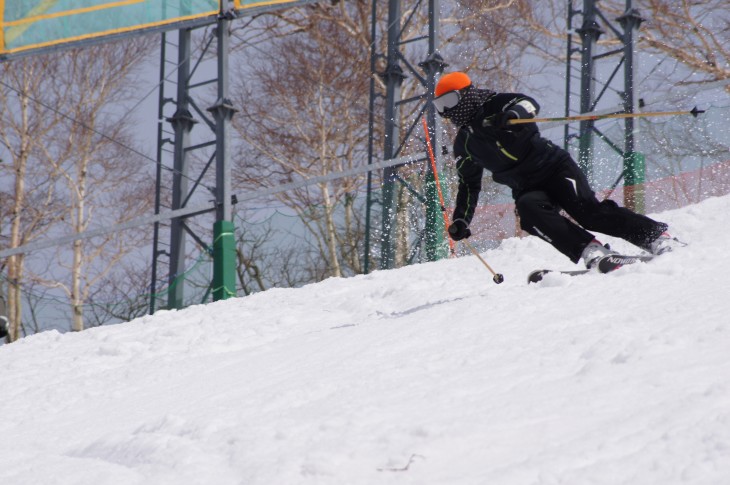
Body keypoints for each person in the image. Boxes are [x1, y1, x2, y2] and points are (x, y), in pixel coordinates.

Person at [433, 71, 683, 268]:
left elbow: (528, 104)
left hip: (554, 168)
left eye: (451, 100)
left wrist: (511, 115)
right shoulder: (464, 144)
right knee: (528, 211)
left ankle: (655, 238)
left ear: (467, 93)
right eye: (441, 106)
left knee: (589, 213)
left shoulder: (497, 104)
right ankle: (590, 250)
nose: (449, 111)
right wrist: (461, 219)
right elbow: (468, 184)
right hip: (526, 186)